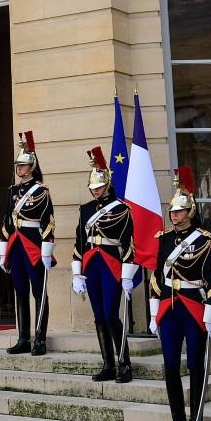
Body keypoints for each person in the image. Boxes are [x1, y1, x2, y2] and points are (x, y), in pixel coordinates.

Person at [150, 167, 211, 421]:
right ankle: (178, 420)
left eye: (180, 211)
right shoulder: (165, 239)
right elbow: (157, 276)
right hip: (169, 308)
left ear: (190, 212)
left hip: (193, 306)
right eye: (172, 211)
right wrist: (154, 309)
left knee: (195, 364)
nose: (175, 215)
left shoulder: (205, 240)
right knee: (170, 365)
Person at [72, 147, 138, 383]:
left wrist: (128, 274)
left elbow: (129, 243)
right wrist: (76, 273)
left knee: (111, 314)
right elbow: (79, 241)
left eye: (99, 186)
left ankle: (124, 363)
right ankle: (108, 364)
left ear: (107, 184)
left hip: (111, 264)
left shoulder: (122, 208)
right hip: (91, 264)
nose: (96, 191)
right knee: (99, 316)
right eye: (93, 188)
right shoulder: (86, 210)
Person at [0, 131, 56, 355]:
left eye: (23, 166)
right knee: (20, 291)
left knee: (39, 291)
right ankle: (23, 338)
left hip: (33, 244)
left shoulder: (41, 191)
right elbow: (6, 222)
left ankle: (40, 339)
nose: (19, 169)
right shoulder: (11, 191)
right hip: (15, 245)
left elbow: (49, 222)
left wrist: (46, 250)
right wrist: (4, 251)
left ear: (31, 166)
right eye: (17, 166)